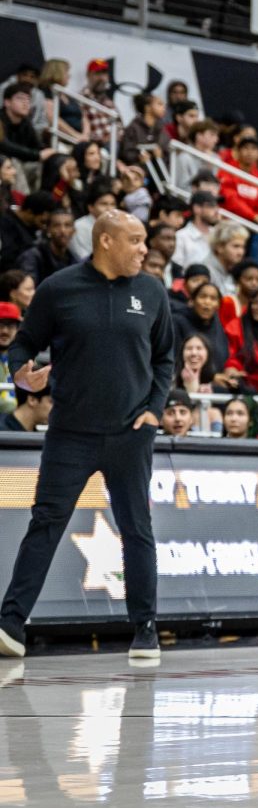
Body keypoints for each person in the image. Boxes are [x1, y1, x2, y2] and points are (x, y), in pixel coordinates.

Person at [0, 212, 174, 661]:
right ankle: (11, 624)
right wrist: (22, 374)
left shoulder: (152, 291)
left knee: (137, 529)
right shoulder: (59, 289)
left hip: (130, 434)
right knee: (46, 524)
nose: (143, 249)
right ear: (105, 241)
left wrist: (154, 412)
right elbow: (22, 343)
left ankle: (145, 628)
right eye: (134, 241)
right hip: (69, 434)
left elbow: (164, 360)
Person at [18, 208, 76, 285]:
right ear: (48, 229)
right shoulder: (33, 256)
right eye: (56, 226)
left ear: (74, 231)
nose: (63, 230)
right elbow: (27, 289)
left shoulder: (72, 258)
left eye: (67, 225)